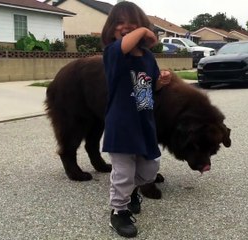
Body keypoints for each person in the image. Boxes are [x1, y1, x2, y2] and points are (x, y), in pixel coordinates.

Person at [100, 1, 171, 238]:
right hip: (120, 124)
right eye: (119, 23)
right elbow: (125, 45)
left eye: (133, 24)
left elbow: (145, 91)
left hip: (144, 123)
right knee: (122, 171)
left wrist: (161, 81)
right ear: (110, 29)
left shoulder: (147, 58)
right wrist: (142, 30)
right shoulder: (113, 53)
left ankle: (130, 191)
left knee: (150, 169)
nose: (126, 28)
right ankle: (118, 212)